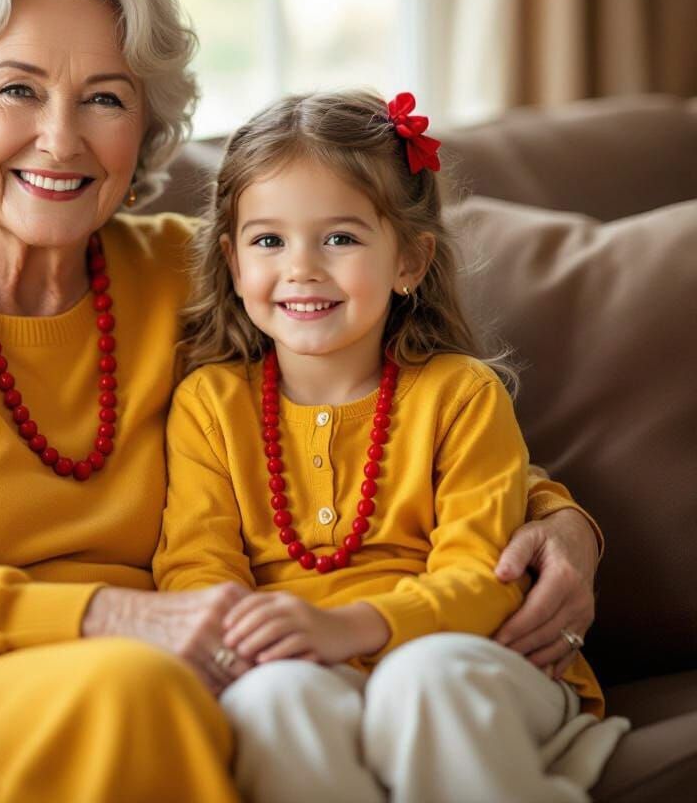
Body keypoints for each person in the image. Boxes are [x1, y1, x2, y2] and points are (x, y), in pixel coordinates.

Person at [0, 0, 605, 803]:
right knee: (154, 690)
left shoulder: (185, 271)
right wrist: (124, 617)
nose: (61, 137)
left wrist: (567, 526)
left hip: (196, 655)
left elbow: (383, 406)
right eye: (17, 90)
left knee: (230, 695)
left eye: (105, 98)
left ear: (146, 129)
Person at [154, 89, 628, 803]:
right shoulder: (210, 406)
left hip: (470, 662)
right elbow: (195, 566)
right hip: (303, 671)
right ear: (231, 259)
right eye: (268, 240)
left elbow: (483, 579)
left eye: (339, 238)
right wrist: (251, 638)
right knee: (269, 700)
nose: (302, 268)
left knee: (421, 679)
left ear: (409, 260)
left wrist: (348, 626)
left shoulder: (460, 394)